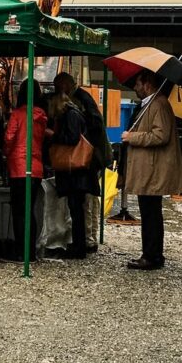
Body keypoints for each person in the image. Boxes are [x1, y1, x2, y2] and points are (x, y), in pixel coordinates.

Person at [120, 70, 182, 270]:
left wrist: (133, 137)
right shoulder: (149, 104)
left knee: (151, 214)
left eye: (137, 84)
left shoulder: (158, 104)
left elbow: (161, 136)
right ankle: (150, 254)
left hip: (152, 170)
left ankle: (152, 256)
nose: (135, 88)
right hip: (147, 169)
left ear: (147, 83)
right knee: (149, 212)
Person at [54, 71, 111, 252]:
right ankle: (89, 239)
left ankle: (88, 240)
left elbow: (94, 125)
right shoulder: (82, 98)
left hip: (88, 158)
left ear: (64, 87)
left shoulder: (81, 100)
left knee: (85, 203)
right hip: (92, 157)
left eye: (57, 88)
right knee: (87, 202)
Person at [49, 92, 98, 259]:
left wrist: (53, 136)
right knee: (77, 209)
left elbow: (72, 139)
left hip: (74, 171)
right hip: (77, 172)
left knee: (76, 209)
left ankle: (79, 248)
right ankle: (79, 245)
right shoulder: (74, 113)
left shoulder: (71, 115)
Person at [3, 80, 47, 262]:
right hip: (36, 167)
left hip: (18, 166)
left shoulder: (18, 114)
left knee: (19, 211)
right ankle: (31, 251)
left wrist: (5, 153)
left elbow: (9, 138)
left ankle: (21, 251)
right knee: (30, 211)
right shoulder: (41, 115)